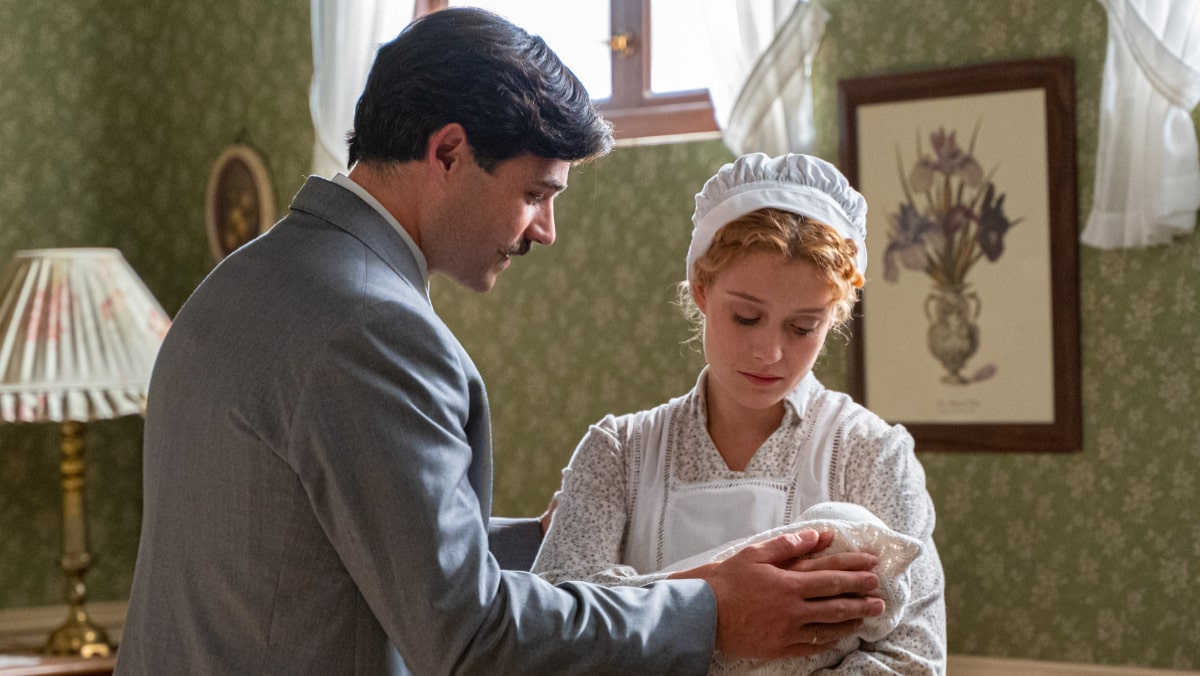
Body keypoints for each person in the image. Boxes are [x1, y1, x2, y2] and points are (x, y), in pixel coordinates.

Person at [115, 9, 886, 675]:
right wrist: (710, 610)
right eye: (534, 193)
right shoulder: (375, 331)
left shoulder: (238, 284)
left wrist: (538, 541)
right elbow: (470, 638)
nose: (544, 232)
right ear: (448, 152)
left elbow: (311, 530)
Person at [532, 153, 947, 673]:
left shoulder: (871, 455)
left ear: (835, 317)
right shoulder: (619, 453)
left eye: (802, 327)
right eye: (746, 317)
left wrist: (627, 598)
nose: (769, 352)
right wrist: (717, 600)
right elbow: (551, 629)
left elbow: (913, 660)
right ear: (702, 289)